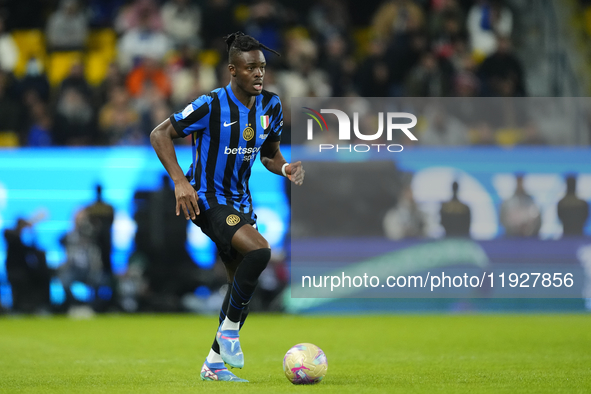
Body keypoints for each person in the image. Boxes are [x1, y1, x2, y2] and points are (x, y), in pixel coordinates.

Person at [150, 32, 304, 382]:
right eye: (250, 68)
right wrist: (179, 181)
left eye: (262, 67)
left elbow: (269, 154)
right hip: (206, 199)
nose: (258, 74)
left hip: (240, 202)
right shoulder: (210, 104)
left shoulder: (272, 106)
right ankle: (230, 333)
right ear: (232, 70)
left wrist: (285, 167)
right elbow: (159, 134)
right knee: (260, 251)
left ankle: (214, 364)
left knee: (240, 289)